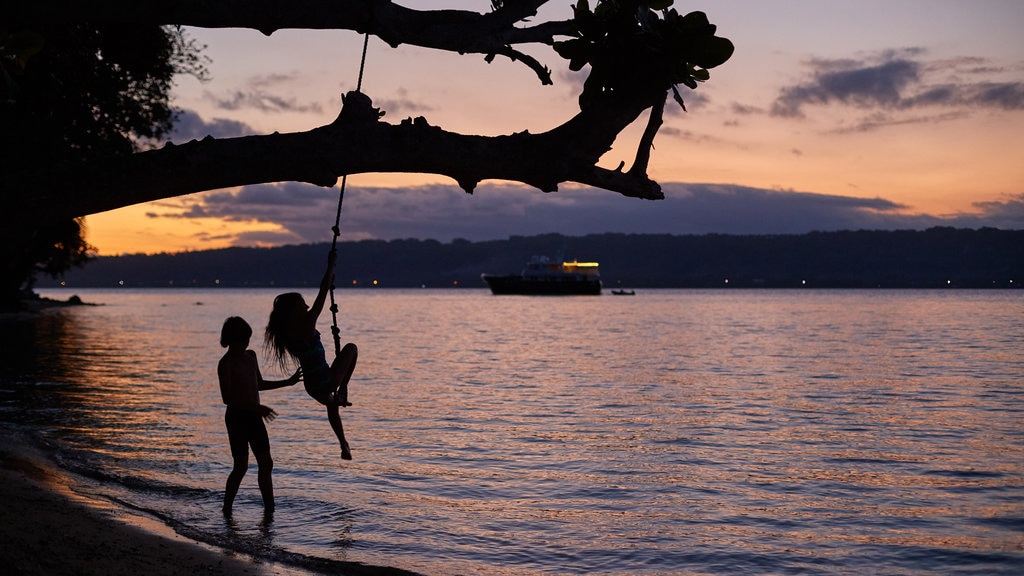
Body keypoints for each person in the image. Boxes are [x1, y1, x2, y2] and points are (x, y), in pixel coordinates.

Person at [265, 250, 358, 461]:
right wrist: (331, 265)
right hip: (325, 380)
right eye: (302, 304)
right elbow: (322, 293)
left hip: (312, 385)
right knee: (352, 348)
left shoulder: (287, 333)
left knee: (332, 405)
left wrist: (329, 274)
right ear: (295, 310)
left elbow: (322, 291)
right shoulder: (306, 324)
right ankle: (343, 390)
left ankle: (344, 444)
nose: (307, 306)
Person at [218, 316, 301, 515]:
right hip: (237, 419)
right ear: (232, 340)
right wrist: (258, 408)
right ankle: (227, 508)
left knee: (266, 463)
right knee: (241, 466)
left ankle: (269, 509)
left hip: (254, 418)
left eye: (247, 339)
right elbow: (227, 399)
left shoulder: (251, 356)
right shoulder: (226, 363)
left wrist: (287, 382)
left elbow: (260, 384)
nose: (247, 343)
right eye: (243, 340)